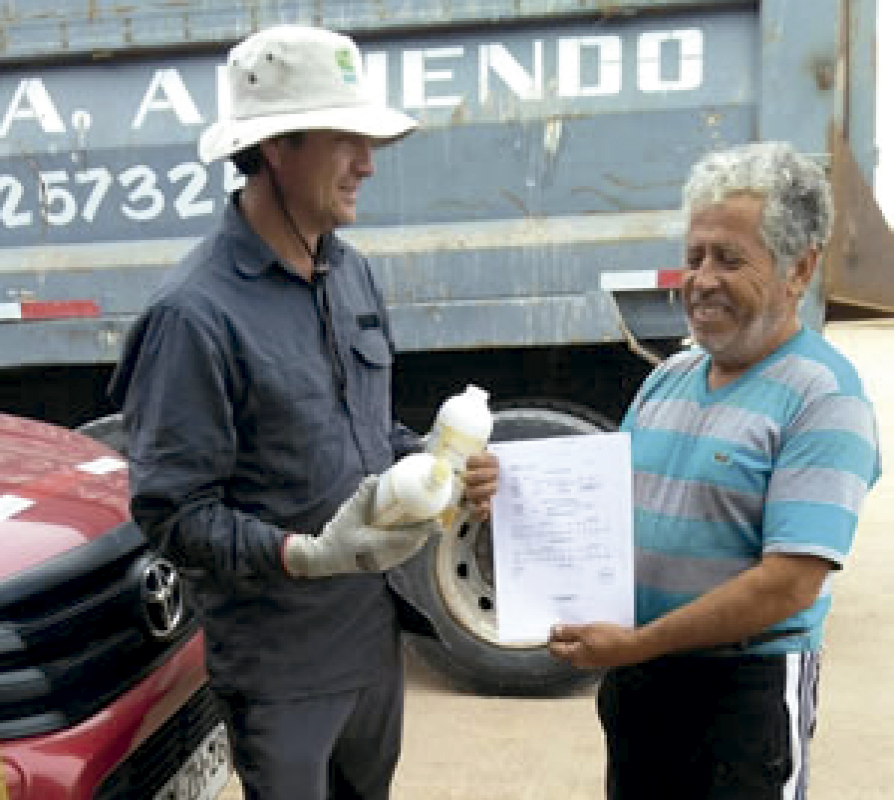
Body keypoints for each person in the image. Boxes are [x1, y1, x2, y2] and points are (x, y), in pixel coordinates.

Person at [109, 25, 498, 800]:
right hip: (280, 668)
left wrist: (436, 467)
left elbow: (365, 439)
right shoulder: (194, 316)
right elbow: (172, 512)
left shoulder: (348, 274)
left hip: (371, 639)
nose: (368, 162)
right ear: (278, 147)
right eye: (346, 139)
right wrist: (303, 554)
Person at [548, 141, 880, 799]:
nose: (701, 279)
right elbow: (598, 513)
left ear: (799, 269)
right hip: (640, 689)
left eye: (730, 259)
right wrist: (506, 500)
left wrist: (637, 644)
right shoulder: (668, 377)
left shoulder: (825, 398)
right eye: (694, 255)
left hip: (743, 701)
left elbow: (786, 586)